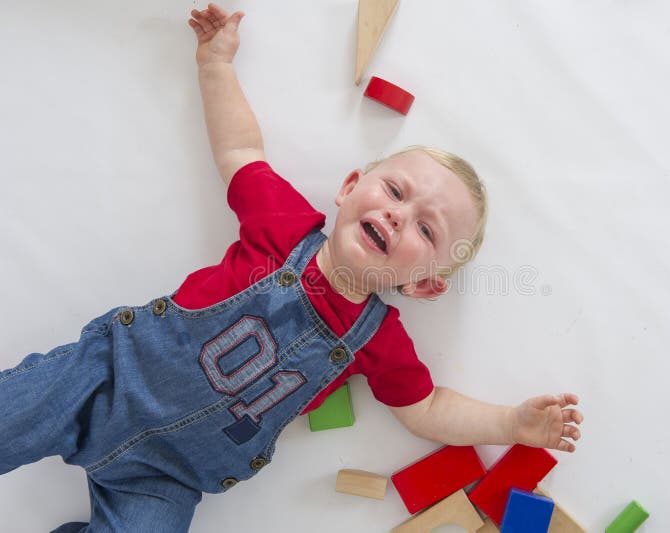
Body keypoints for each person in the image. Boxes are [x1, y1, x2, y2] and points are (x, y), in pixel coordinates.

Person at [0, 4, 582, 532]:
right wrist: (215, 65)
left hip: (165, 477)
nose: (399, 216)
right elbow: (239, 152)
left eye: (427, 229)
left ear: (427, 283)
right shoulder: (284, 226)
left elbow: (428, 410)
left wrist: (513, 424)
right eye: (395, 191)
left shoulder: (378, 341)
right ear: (350, 187)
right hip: (100, 380)